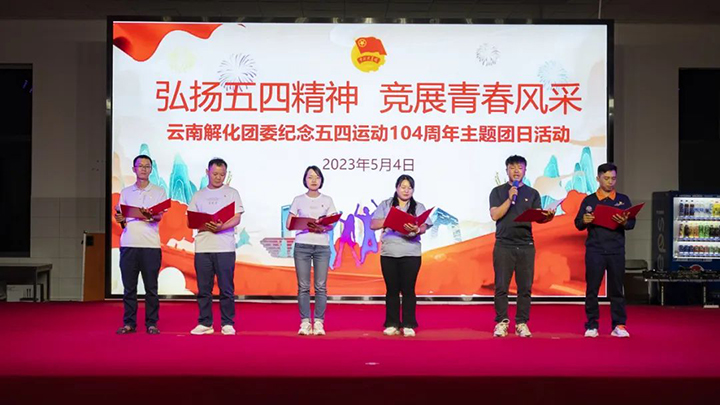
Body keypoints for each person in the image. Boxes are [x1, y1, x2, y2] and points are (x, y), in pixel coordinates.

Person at [489, 155, 554, 338]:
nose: (516, 171)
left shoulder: (532, 193)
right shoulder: (498, 192)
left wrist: (547, 217)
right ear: (506, 170)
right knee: (501, 286)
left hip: (526, 245)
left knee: (525, 287)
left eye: (520, 167)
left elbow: (538, 217)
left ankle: (521, 323)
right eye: (512, 167)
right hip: (504, 245)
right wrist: (510, 198)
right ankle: (502, 322)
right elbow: (495, 215)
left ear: (525, 170)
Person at [574, 163, 635, 338]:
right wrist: (585, 220)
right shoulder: (589, 200)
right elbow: (578, 224)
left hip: (616, 250)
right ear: (598, 178)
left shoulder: (623, 200)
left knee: (617, 289)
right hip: (595, 250)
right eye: (606, 178)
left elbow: (631, 224)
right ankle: (592, 325)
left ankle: (619, 325)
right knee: (592, 289)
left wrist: (624, 222)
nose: (610, 182)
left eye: (613, 178)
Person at [370, 174, 433, 337]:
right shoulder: (386, 204)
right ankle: (392, 323)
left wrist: (417, 229)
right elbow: (373, 224)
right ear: (396, 188)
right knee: (392, 290)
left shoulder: (418, 206)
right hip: (389, 253)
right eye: (403, 187)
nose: (406, 190)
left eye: (410, 188)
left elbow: (425, 226)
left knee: (408, 289)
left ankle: (408, 324)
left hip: (411, 253)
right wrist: (390, 220)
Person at [188, 158, 244, 336]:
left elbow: (237, 217)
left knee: (226, 288)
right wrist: (206, 224)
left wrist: (221, 227)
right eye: (215, 174)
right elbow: (190, 220)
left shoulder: (232, 193)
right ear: (207, 173)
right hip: (203, 248)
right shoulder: (198, 195)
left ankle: (227, 323)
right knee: (204, 289)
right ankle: (205, 323)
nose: (218, 177)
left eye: (222, 174)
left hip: (225, 247)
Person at [114, 155, 167, 335]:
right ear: (134, 169)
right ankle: (129, 323)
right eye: (140, 166)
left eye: (147, 166)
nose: (144, 169)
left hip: (150, 245)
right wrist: (120, 218)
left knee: (151, 288)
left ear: (151, 169)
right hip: (129, 244)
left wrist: (149, 215)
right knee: (129, 288)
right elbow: (122, 218)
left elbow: (159, 216)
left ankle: (152, 323)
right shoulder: (126, 192)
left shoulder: (159, 191)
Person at [286, 166, 338, 336]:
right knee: (303, 286)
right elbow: (289, 224)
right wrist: (304, 223)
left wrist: (322, 226)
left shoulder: (328, 200)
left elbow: (332, 223)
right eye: (310, 177)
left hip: (322, 246)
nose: (314, 180)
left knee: (321, 286)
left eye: (317, 177)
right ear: (305, 180)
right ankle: (305, 322)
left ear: (321, 180)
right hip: (302, 245)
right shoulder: (298, 200)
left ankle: (319, 322)